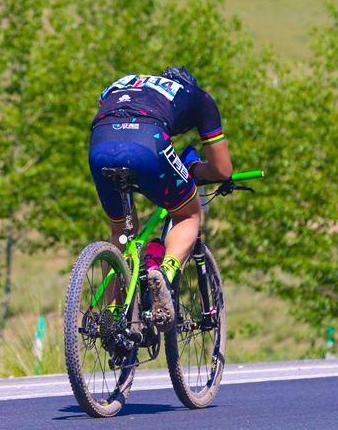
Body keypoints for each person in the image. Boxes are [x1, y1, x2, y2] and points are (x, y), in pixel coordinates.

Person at [88, 67, 233, 332]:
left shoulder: (125, 81)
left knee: (121, 233)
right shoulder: (198, 97)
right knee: (187, 214)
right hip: (148, 142)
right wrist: (193, 167)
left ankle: (112, 316)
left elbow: (109, 110)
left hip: (100, 142)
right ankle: (163, 276)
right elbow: (223, 171)